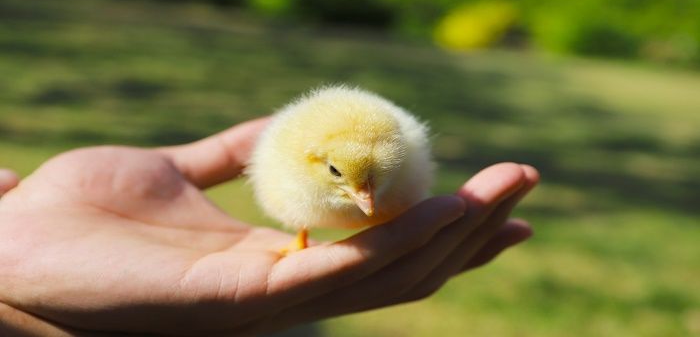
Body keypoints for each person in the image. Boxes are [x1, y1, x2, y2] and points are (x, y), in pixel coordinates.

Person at [0, 117, 538, 336]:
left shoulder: (385, 150)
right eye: (344, 177)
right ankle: (302, 238)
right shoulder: (305, 155)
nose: (363, 195)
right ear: (314, 159)